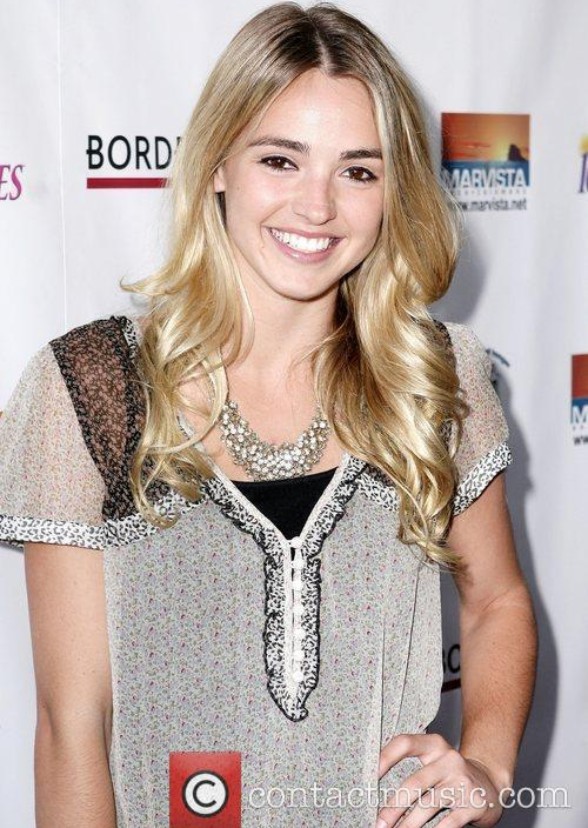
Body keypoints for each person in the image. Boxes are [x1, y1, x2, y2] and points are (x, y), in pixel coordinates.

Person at [0, 3, 537, 827]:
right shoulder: (89, 387)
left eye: (358, 171)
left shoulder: (436, 375)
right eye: (281, 160)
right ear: (218, 164)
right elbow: (71, 727)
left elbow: (497, 600)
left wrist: (490, 766)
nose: (316, 207)